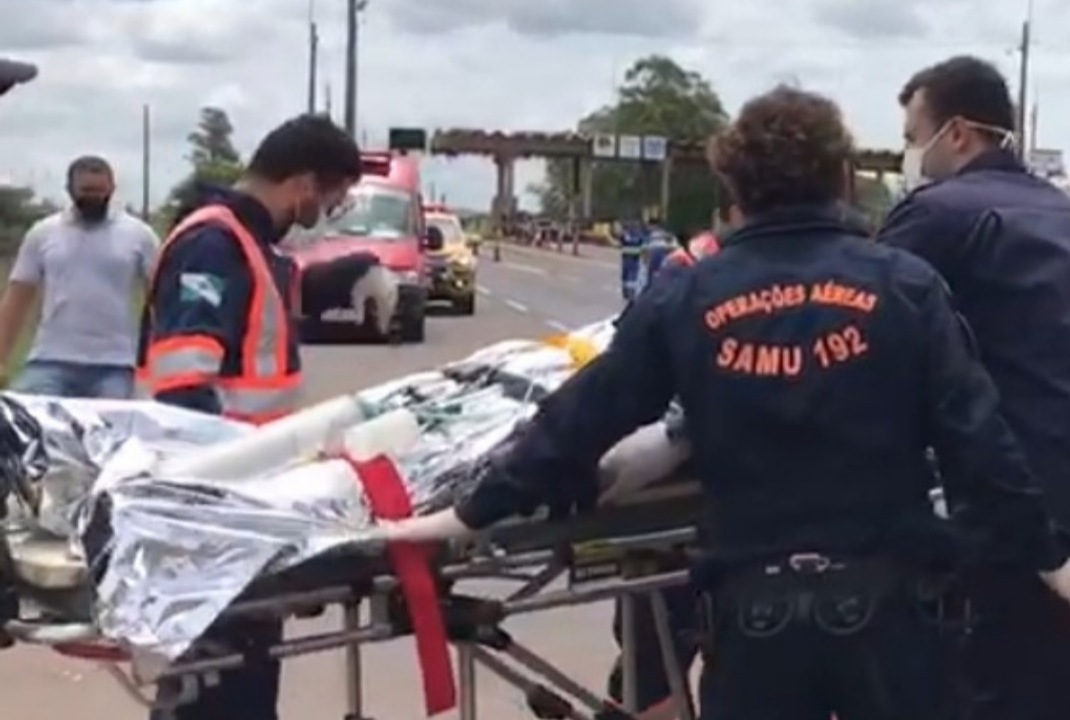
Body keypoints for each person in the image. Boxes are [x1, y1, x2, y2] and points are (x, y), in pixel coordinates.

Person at [380, 85, 1070, 720]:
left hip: (755, 623)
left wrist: (465, 514)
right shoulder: (905, 287)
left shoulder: (689, 295)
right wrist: (1051, 562)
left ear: (734, 187)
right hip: (894, 619)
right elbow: (979, 443)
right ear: (840, 179)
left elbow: (581, 419)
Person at [139, 114, 393, 720]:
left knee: (246, 679)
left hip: (249, 502)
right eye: (332, 196)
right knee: (218, 689)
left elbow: (277, 302)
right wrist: (220, 498)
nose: (330, 209)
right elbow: (182, 385)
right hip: (215, 507)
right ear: (304, 184)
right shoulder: (213, 244)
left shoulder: (253, 247)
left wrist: (353, 270)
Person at [878, 55, 1070, 720]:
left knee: (997, 685)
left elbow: (860, 332)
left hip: (1016, 507)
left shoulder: (937, 216)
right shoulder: (1058, 210)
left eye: (912, 136)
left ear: (957, 133)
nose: (911, 155)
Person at [0, 156, 160, 398]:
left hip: (116, 365)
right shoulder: (43, 233)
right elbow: (17, 299)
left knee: (115, 430)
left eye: (100, 190)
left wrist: (158, 362)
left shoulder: (140, 235)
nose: (94, 197)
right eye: (86, 191)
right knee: (23, 425)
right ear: (69, 190)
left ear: (112, 189)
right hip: (50, 360)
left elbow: (160, 297)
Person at [618, 220, 645, 301]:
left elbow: (640, 243)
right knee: (627, 276)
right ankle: (627, 292)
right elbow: (622, 241)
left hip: (632, 257)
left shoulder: (636, 234)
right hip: (628, 257)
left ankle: (630, 293)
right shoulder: (627, 233)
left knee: (631, 276)